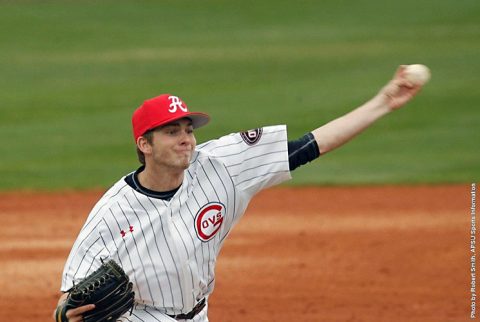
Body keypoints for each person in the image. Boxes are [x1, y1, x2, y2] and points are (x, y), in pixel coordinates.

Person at [54, 65, 423, 321]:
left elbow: (308, 147)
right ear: (144, 145)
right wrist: (66, 313)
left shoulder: (220, 166)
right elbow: (68, 300)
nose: (186, 137)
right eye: (171, 131)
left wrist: (383, 102)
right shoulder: (112, 214)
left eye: (188, 128)